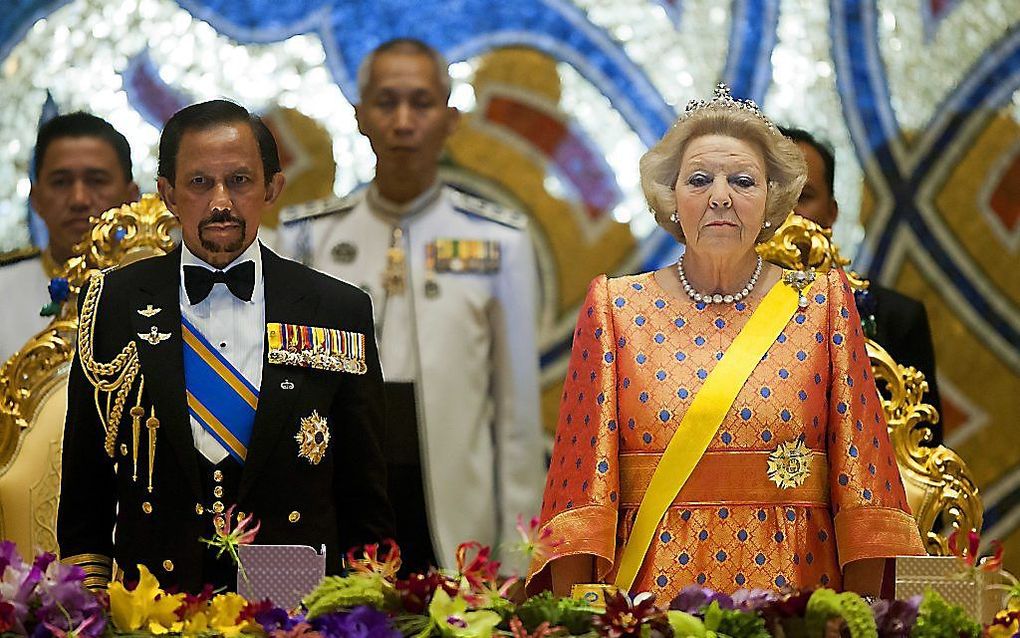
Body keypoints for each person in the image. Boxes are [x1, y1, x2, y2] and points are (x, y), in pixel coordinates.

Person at [527, 85, 925, 601]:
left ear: (771, 199)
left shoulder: (822, 302)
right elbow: (580, 490)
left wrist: (857, 619)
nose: (720, 196)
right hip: (650, 601)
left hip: (796, 594)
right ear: (670, 198)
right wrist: (581, 620)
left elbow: (865, 484)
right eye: (698, 180)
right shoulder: (615, 307)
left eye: (742, 181)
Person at [58, 100, 394, 591]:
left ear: (272, 187)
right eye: (199, 183)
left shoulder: (336, 310)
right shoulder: (112, 303)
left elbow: (365, 497)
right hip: (153, 608)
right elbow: (86, 489)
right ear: (168, 194)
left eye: (239, 181)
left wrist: (368, 605)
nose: (221, 202)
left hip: (292, 611)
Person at [277, 38, 544, 575]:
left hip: (451, 508)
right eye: (386, 102)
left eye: (421, 103)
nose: (403, 122)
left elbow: (517, 419)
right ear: (360, 116)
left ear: (450, 119)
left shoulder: (497, 242)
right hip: (338, 491)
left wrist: (519, 563)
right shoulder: (308, 239)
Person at [779, 126, 943, 443]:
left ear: (832, 212)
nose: (787, 214)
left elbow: (922, 460)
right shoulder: (711, 312)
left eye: (804, 197)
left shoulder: (895, 319)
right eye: (773, 195)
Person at [0, 112, 138, 364]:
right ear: (36, 199)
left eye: (97, 181)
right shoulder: (4, 289)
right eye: (61, 182)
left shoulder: (166, 285)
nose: (79, 199)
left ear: (132, 197)